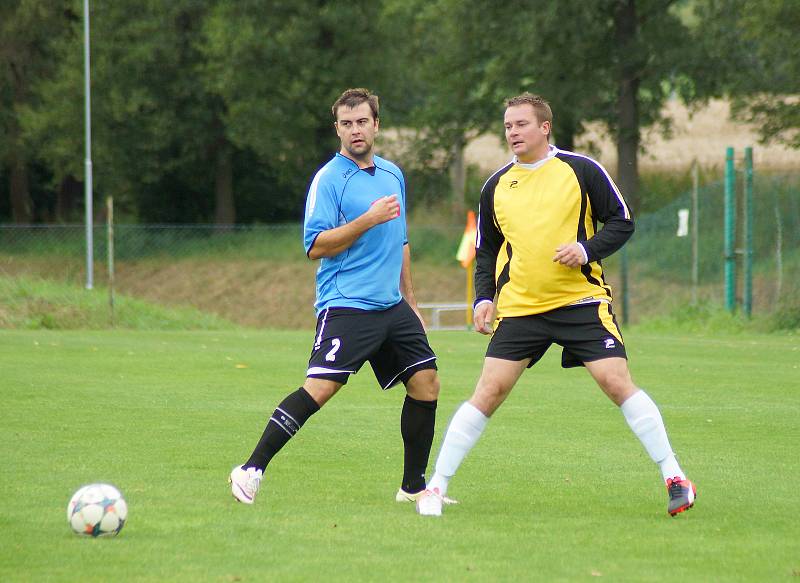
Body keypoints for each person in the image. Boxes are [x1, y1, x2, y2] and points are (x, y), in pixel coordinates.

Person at [416, 93, 696, 517]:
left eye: (521, 124)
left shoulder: (581, 170)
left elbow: (621, 221)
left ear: (545, 127)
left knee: (616, 381)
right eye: (508, 126)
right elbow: (487, 250)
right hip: (521, 307)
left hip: (579, 300)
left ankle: (675, 477)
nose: (513, 132)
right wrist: (484, 298)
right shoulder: (496, 185)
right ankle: (435, 487)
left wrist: (587, 250)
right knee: (488, 392)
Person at [230, 88, 443, 506]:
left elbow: (400, 241)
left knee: (426, 384)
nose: (355, 130)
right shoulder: (328, 180)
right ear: (338, 129)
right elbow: (316, 246)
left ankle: (413, 488)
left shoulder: (393, 174)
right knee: (320, 389)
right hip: (347, 303)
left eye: (362, 121)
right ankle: (250, 469)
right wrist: (366, 220)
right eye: (346, 124)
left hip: (391, 306)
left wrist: (412, 303)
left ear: (376, 124)